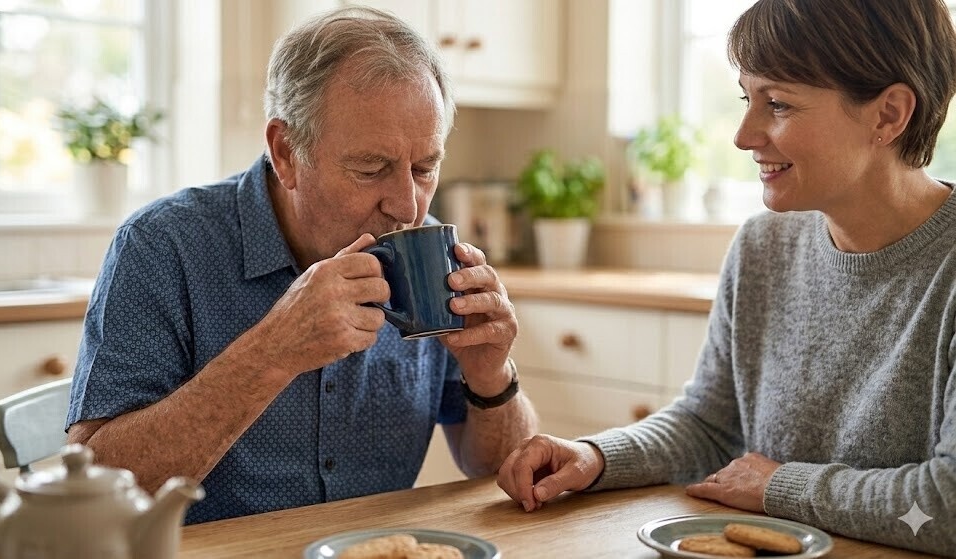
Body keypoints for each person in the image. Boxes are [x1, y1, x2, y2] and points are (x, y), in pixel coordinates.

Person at [495, 0, 956, 555]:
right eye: (746, 99)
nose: (743, 135)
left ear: (888, 115)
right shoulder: (764, 246)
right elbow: (711, 426)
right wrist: (596, 457)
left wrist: (780, 486)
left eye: (778, 104)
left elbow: (947, 506)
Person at [66, 6, 537, 525]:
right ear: (286, 152)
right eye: (370, 169)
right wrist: (272, 352)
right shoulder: (163, 246)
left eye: (425, 168)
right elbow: (94, 487)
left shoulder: (429, 255)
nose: (408, 205)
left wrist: (492, 375)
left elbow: (498, 470)